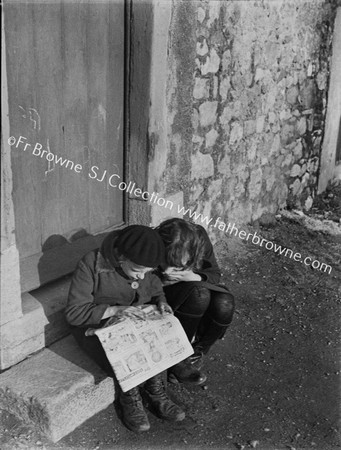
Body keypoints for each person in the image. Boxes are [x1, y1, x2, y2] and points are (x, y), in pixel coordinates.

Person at [65, 225, 185, 433]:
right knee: (125, 346)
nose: (140, 278)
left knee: (155, 334)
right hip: (96, 326)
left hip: (132, 319)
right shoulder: (91, 264)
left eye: (147, 272)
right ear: (121, 257)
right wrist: (113, 310)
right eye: (137, 271)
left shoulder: (145, 267)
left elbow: (155, 288)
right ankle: (130, 397)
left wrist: (161, 302)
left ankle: (156, 391)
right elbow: (75, 313)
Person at [155, 218, 235, 385]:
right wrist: (164, 279)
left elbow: (214, 274)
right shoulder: (154, 242)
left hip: (194, 288)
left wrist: (191, 276)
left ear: (192, 254)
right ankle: (178, 357)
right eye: (166, 263)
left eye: (177, 266)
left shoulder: (199, 239)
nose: (169, 271)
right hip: (164, 294)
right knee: (200, 294)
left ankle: (195, 353)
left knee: (224, 303)